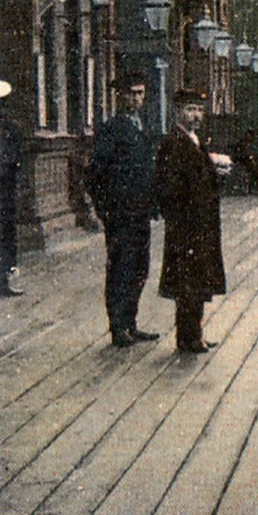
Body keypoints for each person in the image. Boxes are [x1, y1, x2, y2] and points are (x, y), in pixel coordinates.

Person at [89, 72, 160, 345]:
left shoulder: (142, 126)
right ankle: (118, 327)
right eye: (131, 93)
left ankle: (131, 323)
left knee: (139, 268)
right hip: (120, 214)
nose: (136, 98)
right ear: (120, 96)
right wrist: (106, 211)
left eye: (140, 93)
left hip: (140, 211)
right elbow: (96, 173)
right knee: (121, 268)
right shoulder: (111, 129)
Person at [157, 89, 226, 354]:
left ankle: (194, 333)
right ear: (178, 112)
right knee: (188, 283)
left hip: (200, 225)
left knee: (196, 281)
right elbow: (170, 187)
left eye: (199, 109)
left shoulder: (195, 140)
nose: (195, 115)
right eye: (190, 109)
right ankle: (188, 338)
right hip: (187, 226)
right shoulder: (174, 143)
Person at [0, 80, 26, 297]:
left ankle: (2, 282)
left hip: (4, 192)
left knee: (4, 235)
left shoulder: (11, 129)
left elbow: (16, 160)